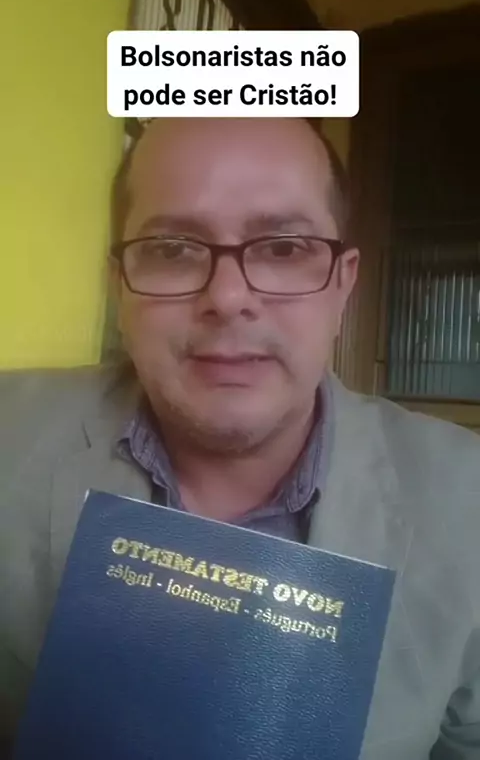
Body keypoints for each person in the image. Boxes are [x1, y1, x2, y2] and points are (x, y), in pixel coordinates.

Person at [1, 117, 479, 759]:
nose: (227, 298)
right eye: (172, 248)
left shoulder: (468, 502)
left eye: (283, 248)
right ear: (118, 287)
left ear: (343, 284)